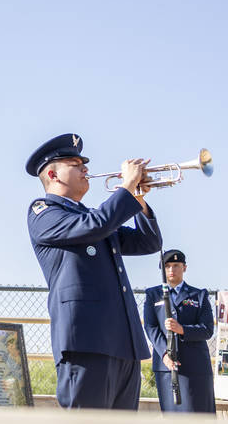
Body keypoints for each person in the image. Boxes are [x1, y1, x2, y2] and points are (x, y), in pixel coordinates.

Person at [25, 133, 162, 409]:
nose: (85, 168)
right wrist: (125, 187)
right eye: (75, 164)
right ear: (52, 173)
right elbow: (96, 224)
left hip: (124, 343)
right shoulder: (44, 212)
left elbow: (148, 242)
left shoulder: (93, 217)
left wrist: (138, 198)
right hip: (85, 342)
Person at [142, 249, 216, 413]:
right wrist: (164, 354)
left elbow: (207, 329)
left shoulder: (199, 295)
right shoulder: (153, 294)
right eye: (167, 266)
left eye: (176, 265)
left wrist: (182, 329)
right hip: (166, 366)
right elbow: (151, 327)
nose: (171, 270)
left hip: (195, 366)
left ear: (184, 267)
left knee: (198, 414)